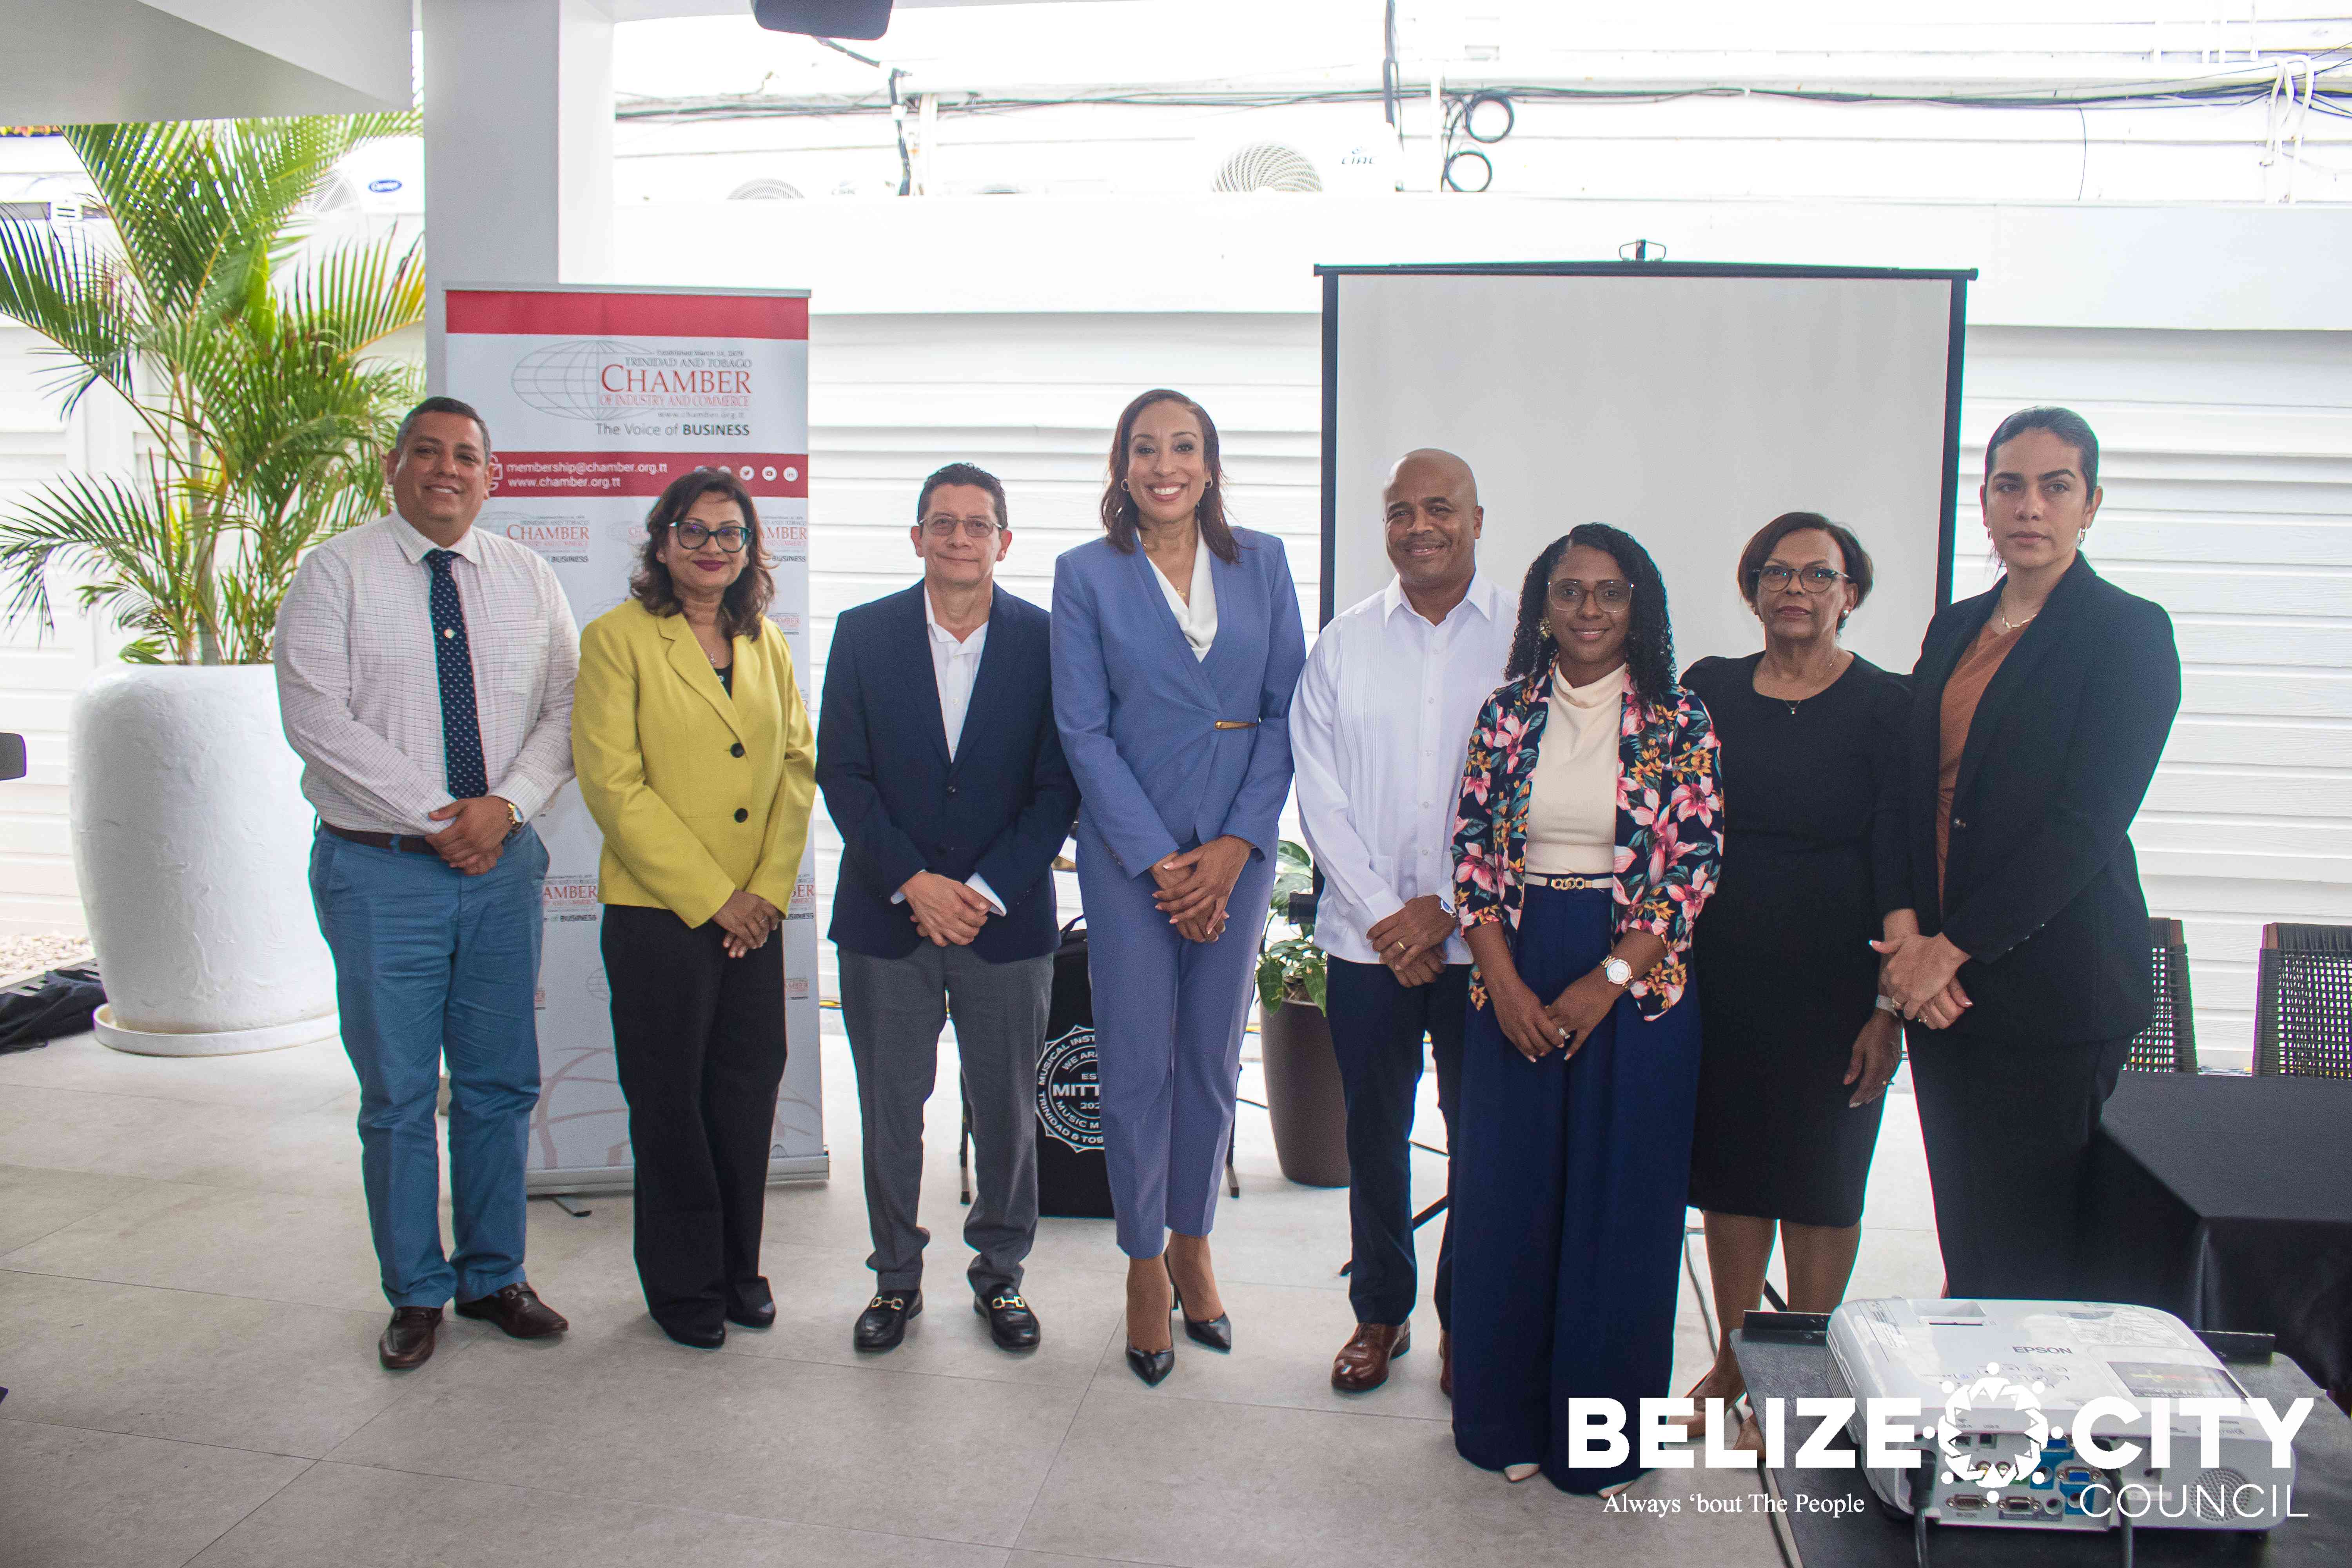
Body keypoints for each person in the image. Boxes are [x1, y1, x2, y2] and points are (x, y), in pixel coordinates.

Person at [276, 395, 577, 1369]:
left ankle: (494, 1274)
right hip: (381, 871)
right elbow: (316, 719)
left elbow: (568, 708)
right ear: (394, 464)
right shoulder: (334, 574)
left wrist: (508, 805)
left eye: (467, 456)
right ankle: (416, 1290)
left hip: (503, 868)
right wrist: (446, 817)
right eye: (428, 452)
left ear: (492, 476)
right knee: (400, 1095)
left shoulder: (529, 577)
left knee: (498, 1083)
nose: (448, 469)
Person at [1876, 407, 2180, 1300]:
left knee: (2036, 1267)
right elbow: (1906, 790)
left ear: (2092, 504)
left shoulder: (2127, 631)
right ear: (1984, 502)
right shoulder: (1955, 627)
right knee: (1972, 1248)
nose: (2030, 506)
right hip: (1940, 991)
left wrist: (1948, 950)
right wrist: (1906, 937)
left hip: (2053, 989)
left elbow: (2087, 824)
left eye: (2056, 486)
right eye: (2010, 485)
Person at [1447, 524, 1721, 1493]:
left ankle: (1598, 1440)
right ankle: (1502, 1421)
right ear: (1543, 606)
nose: (1590, 608)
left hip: (1636, 979)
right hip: (1515, 965)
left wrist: (1606, 980)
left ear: (1639, 605)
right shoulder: (1505, 711)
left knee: (1622, 1204)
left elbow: (1691, 865)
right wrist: (1506, 983)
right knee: (1508, 1200)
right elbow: (1471, 856)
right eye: (1570, 590)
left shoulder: (1679, 717)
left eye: (1610, 590)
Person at [1051, 388, 1306, 1387]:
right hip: (1134, 860)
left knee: (1206, 1058)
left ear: (1210, 462)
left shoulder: (1265, 562)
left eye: (1185, 446)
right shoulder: (1087, 574)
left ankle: (1194, 1243)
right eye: (1146, 447)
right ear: (1122, 465)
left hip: (1235, 852)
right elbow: (1082, 730)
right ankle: (1142, 1262)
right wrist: (1163, 859)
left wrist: (1237, 844)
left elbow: (1286, 712)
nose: (1166, 464)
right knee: (1135, 1066)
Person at [815, 462, 1080, 1355]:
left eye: (978, 524)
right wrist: (914, 882)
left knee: (1007, 1113)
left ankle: (1000, 1275)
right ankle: (895, 1279)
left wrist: (986, 889)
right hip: (887, 917)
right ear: (916, 536)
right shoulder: (863, 633)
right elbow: (842, 772)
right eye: (943, 522)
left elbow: (1058, 787)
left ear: (1004, 541)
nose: (960, 538)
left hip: (1007, 920)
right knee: (891, 1113)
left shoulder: (1050, 641)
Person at [572, 467, 815, 1349]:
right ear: (662, 540)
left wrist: (766, 893)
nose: (713, 547)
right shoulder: (616, 640)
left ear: (750, 549)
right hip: (662, 916)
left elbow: (797, 767)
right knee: (670, 1101)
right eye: (695, 531)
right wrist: (718, 899)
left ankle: (739, 1269)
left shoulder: (767, 642)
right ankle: (683, 1287)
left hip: (756, 916)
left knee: (745, 1094)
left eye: (731, 533)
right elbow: (614, 786)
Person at [1677, 513, 1908, 1441]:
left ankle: (1803, 1371)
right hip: (1722, 972)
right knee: (1733, 1174)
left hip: (1840, 984)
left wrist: (1889, 1007)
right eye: (1777, 572)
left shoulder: (1889, 705)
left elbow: (1901, 857)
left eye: (1819, 574)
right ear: (1752, 589)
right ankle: (1735, 1358)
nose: (1795, 589)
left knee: (1823, 1178)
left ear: (1850, 593)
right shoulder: (1710, 688)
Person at [1290, 449, 1514, 1396]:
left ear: (1476, 519)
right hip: (1365, 944)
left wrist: (1452, 907)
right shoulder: (1343, 643)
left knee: (1483, 1141)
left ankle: (1469, 1319)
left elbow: (1536, 794)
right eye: (1399, 511)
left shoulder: (1529, 641)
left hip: (1487, 948)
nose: (1419, 526)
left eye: (1439, 508)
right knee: (1374, 1136)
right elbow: (1319, 792)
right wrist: (1390, 916)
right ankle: (1381, 1312)